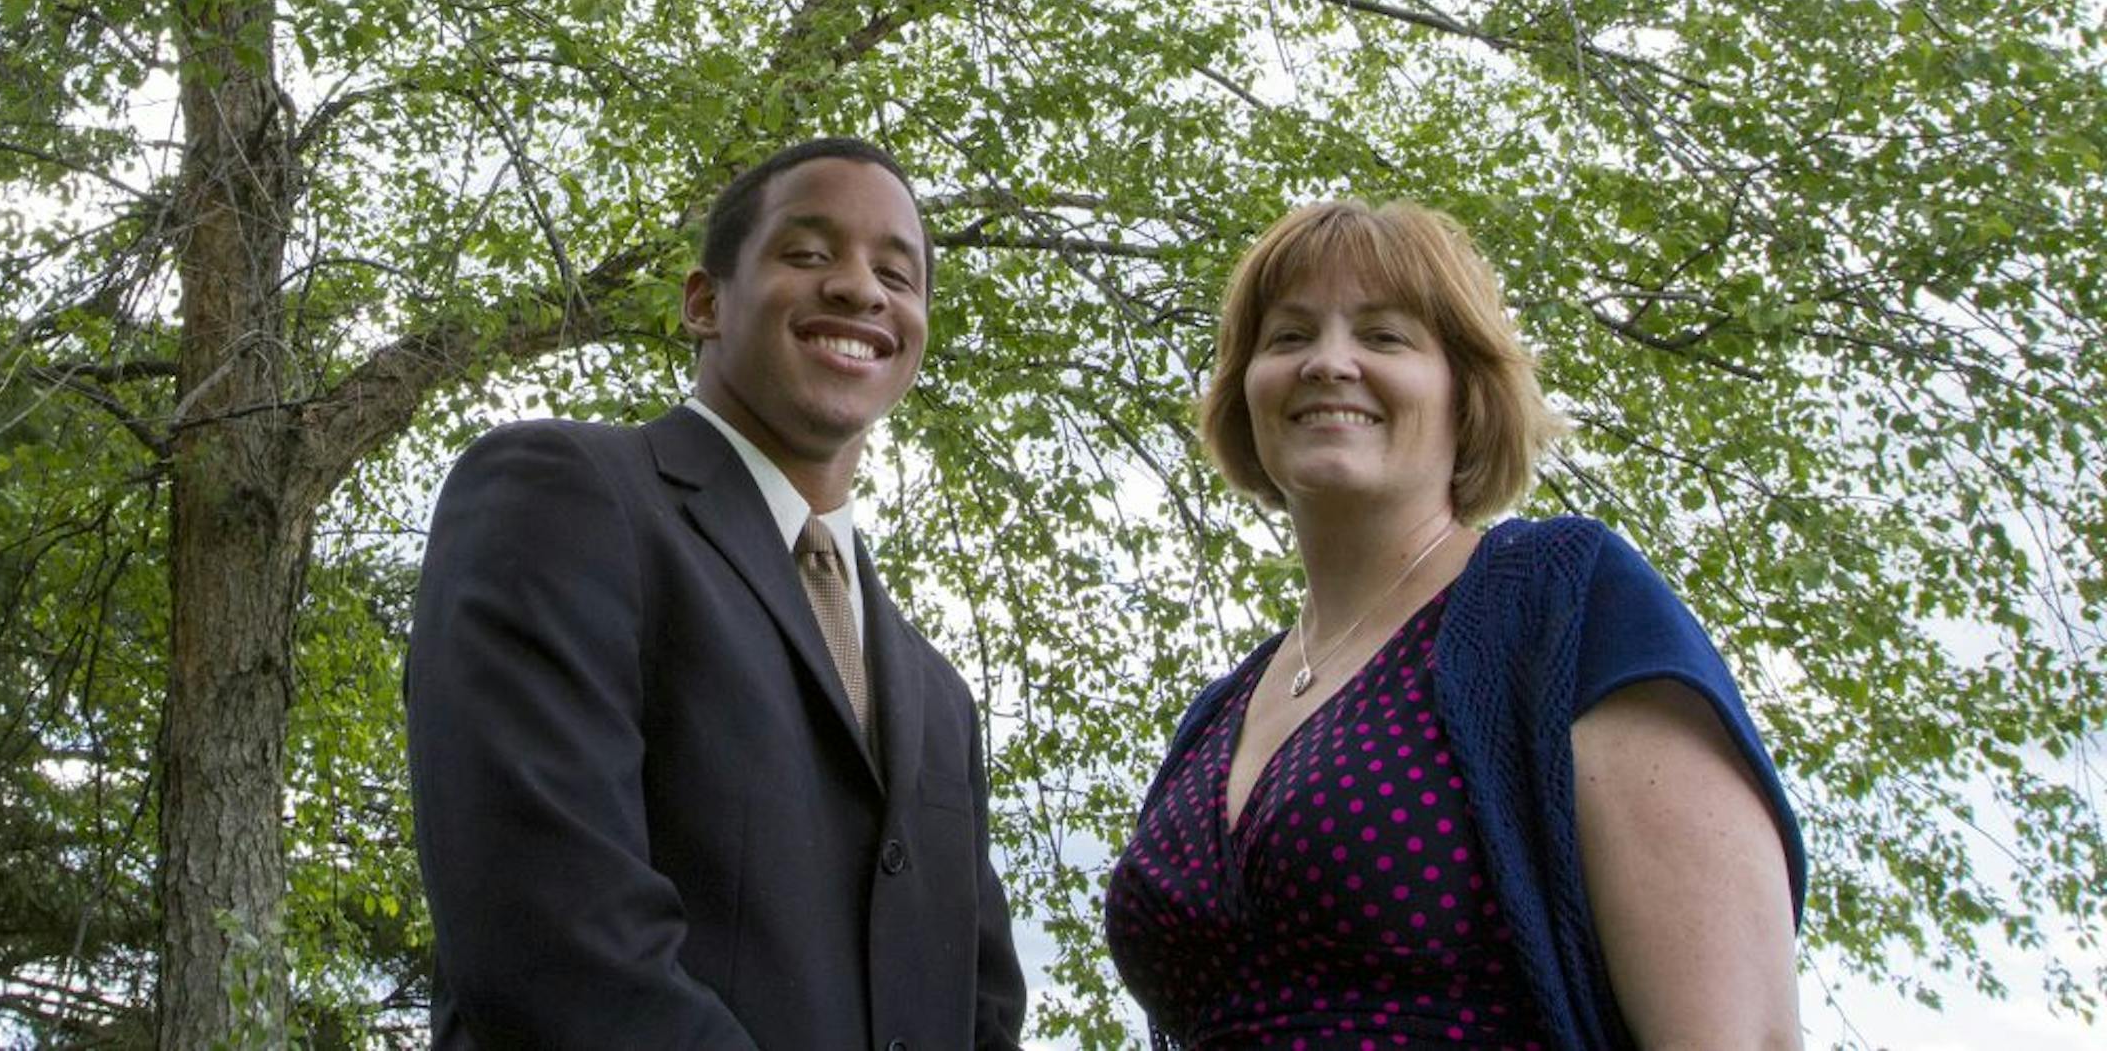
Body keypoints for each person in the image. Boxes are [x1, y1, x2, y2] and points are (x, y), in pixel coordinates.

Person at [1104, 199, 1806, 1050]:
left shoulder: (1563, 605)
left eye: (1384, 336)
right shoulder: (1215, 717)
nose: (1328, 363)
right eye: (1288, 337)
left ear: (1466, 391)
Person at [407, 138, 1027, 1050]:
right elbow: (555, 945)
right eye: (809, 254)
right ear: (705, 303)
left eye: (898, 274)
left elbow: (981, 1010)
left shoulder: (939, 695)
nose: (862, 289)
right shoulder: (564, 498)